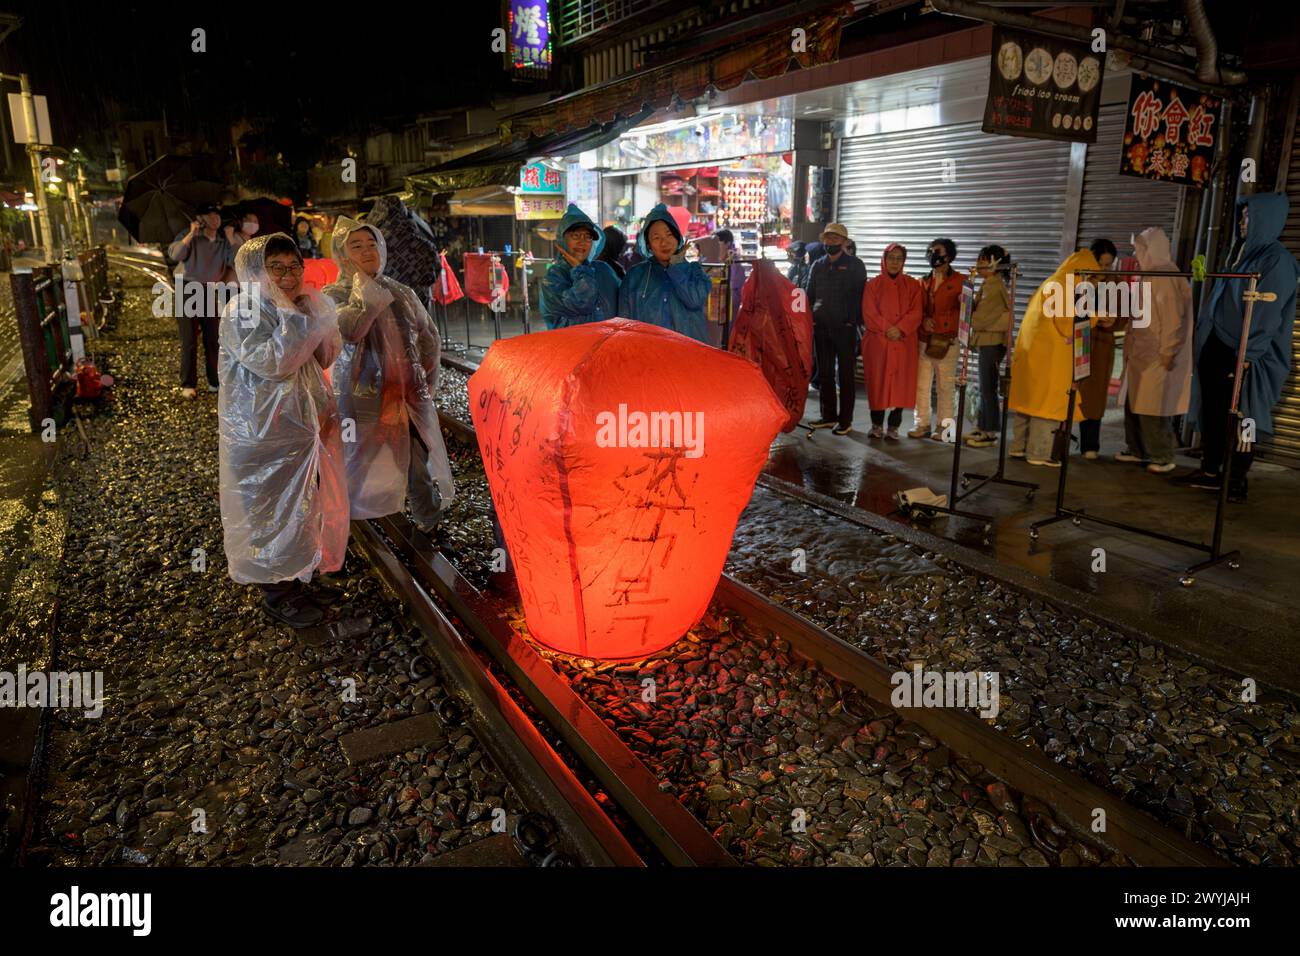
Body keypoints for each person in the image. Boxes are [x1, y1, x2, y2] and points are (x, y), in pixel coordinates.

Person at [217, 233, 348, 627]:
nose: (288, 275)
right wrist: (294, 317)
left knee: (305, 506)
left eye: (294, 266)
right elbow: (276, 362)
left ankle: (299, 575)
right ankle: (278, 593)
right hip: (262, 434)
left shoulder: (297, 306)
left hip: (303, 430)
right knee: (270, 512)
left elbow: (324, 356)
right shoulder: (242, 310)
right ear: (254, 271)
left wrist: (320, 319)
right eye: (277, 267)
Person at [324, 217, 455, 532]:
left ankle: (428, 521)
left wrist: (425, 384)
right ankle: (358, 525)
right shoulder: (334, 295)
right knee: (358, 459)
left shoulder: (401, 292)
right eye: (356, 246)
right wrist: (367, 295)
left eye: (373, 244)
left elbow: (428, 338)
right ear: (341, 254)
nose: (368, 251)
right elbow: (349, 331)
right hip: (360, 398)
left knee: (415, 463)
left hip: (405, 396)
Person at [1178, 192, 1300, 501]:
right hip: (1219, 346)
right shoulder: (1242, 252)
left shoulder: (1276, 260)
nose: (1243, 222)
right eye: (1243, 216)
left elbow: (1268, 312)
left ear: (1266, 219)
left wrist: (1249, 355)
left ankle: (1235, 480)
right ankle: (1210, 469)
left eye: (1248, 217)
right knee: (1216, 412)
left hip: (1244, 352)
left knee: (1244, 417)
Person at [1008, 248, 1103, 466]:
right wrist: (1097, 317)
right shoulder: (1065, 286)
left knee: (1028, 402)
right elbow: (1068, 324)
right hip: (1050, 358)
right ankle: (1038, 453)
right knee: (1047, 405)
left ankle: (1018, 447)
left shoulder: (1053, 281)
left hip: (1033, 354)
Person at [1115, 227, 1192, 473]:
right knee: (1134, 402)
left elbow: (1173, 320)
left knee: (1152, 406)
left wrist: (1169, 350)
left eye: (1140, 249)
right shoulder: (1150, 275)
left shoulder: (1166, 277)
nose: (1136, 254)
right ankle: (1138, 449)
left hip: (1157, 355)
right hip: (1141, 353)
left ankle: (1161, 454)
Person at [167, 202, 240, 397]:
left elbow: (235, 261)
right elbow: (175, 254)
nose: (216, 218)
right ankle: (188, 384)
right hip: (187, 288)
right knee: (189, 339)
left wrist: (232, 238)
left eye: (217, 215)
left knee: (212, 338)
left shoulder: (222, 241)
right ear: (201, 218)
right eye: (210, 215)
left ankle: (214, 381)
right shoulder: (190, 236)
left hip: (208, 289)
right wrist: (191, 234)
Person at [805, 223, 867, 435]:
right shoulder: (818, 264)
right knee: (824, 373)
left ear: (844, 242)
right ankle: (828, 416)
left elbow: (860, 297)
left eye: (835, 238)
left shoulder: (855, 265)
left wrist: (852, 321)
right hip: (821, 327)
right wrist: (811, 318)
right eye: (828, 238)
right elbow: (809, 294)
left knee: (846, 375)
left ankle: (845, 420)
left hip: (845, 329)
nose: (830, 242)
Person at [618, 203, 712, 342]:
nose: (664, 243)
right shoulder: (635, 276)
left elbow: (694, 300)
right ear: (648, 245)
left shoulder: (694, 271)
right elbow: (623, 321)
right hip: (647, 355)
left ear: (677, 238)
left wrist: (677, 267)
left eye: (669, 235)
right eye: (656, 238)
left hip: (687, 354)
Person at [861, 242, 922, 440]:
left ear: (903, 262)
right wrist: (888, 328)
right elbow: (869, 312)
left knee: (901, 385)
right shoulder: (873, 285)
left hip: (904, 342)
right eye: (891, 258)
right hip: (879, 342)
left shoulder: (913, 285)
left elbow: (916, 312)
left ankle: (894, 427)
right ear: (884, 260)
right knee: (878, 383)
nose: (894, 262)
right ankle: (876, 424)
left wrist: (901, 328)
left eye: (899, 258)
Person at [911, 237, 964, 440]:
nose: (933, 255)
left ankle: (945, 429)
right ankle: (921, 424)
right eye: (931, 251)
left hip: (948, 341)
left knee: (946, 386)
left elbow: (967, 311)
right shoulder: (923, 281)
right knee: (921, 385)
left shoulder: (961, 281)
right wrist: (924, 319)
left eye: (938, 251)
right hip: (925, 339)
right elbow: (918, 308)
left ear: (949, 256)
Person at [541, 204, 620, 329]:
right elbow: (582, 304)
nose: (582, 242)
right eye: (575, 236)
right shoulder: (553, 278)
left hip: (607, 345)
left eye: (587, 237)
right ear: (562, 240)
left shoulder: (603, 270)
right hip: (573, 347)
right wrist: (580, 270)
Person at [964, 244, 1012, 448]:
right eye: (979, 260)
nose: (979, 264)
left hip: (991, 342)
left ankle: (990, 432)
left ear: (996, 264)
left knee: (988, 388)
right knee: (985, 387)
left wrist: (966, 314)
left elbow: (981, 318)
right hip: (988, 341)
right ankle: (983, 426)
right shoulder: (990, 283)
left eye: (984, 261)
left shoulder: (993, 286)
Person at [1076, 238, 1120, 458]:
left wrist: (1114, 321)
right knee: (1072, 390)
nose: (1103, 269)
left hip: (1103, 344)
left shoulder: (1115, 283)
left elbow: (1123, 315)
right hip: (1080, 340)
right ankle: (1057, 441)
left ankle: (1089, 445)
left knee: (1095, 395)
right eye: (1100, 264)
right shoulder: (1079, 278)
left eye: (1108, 265)